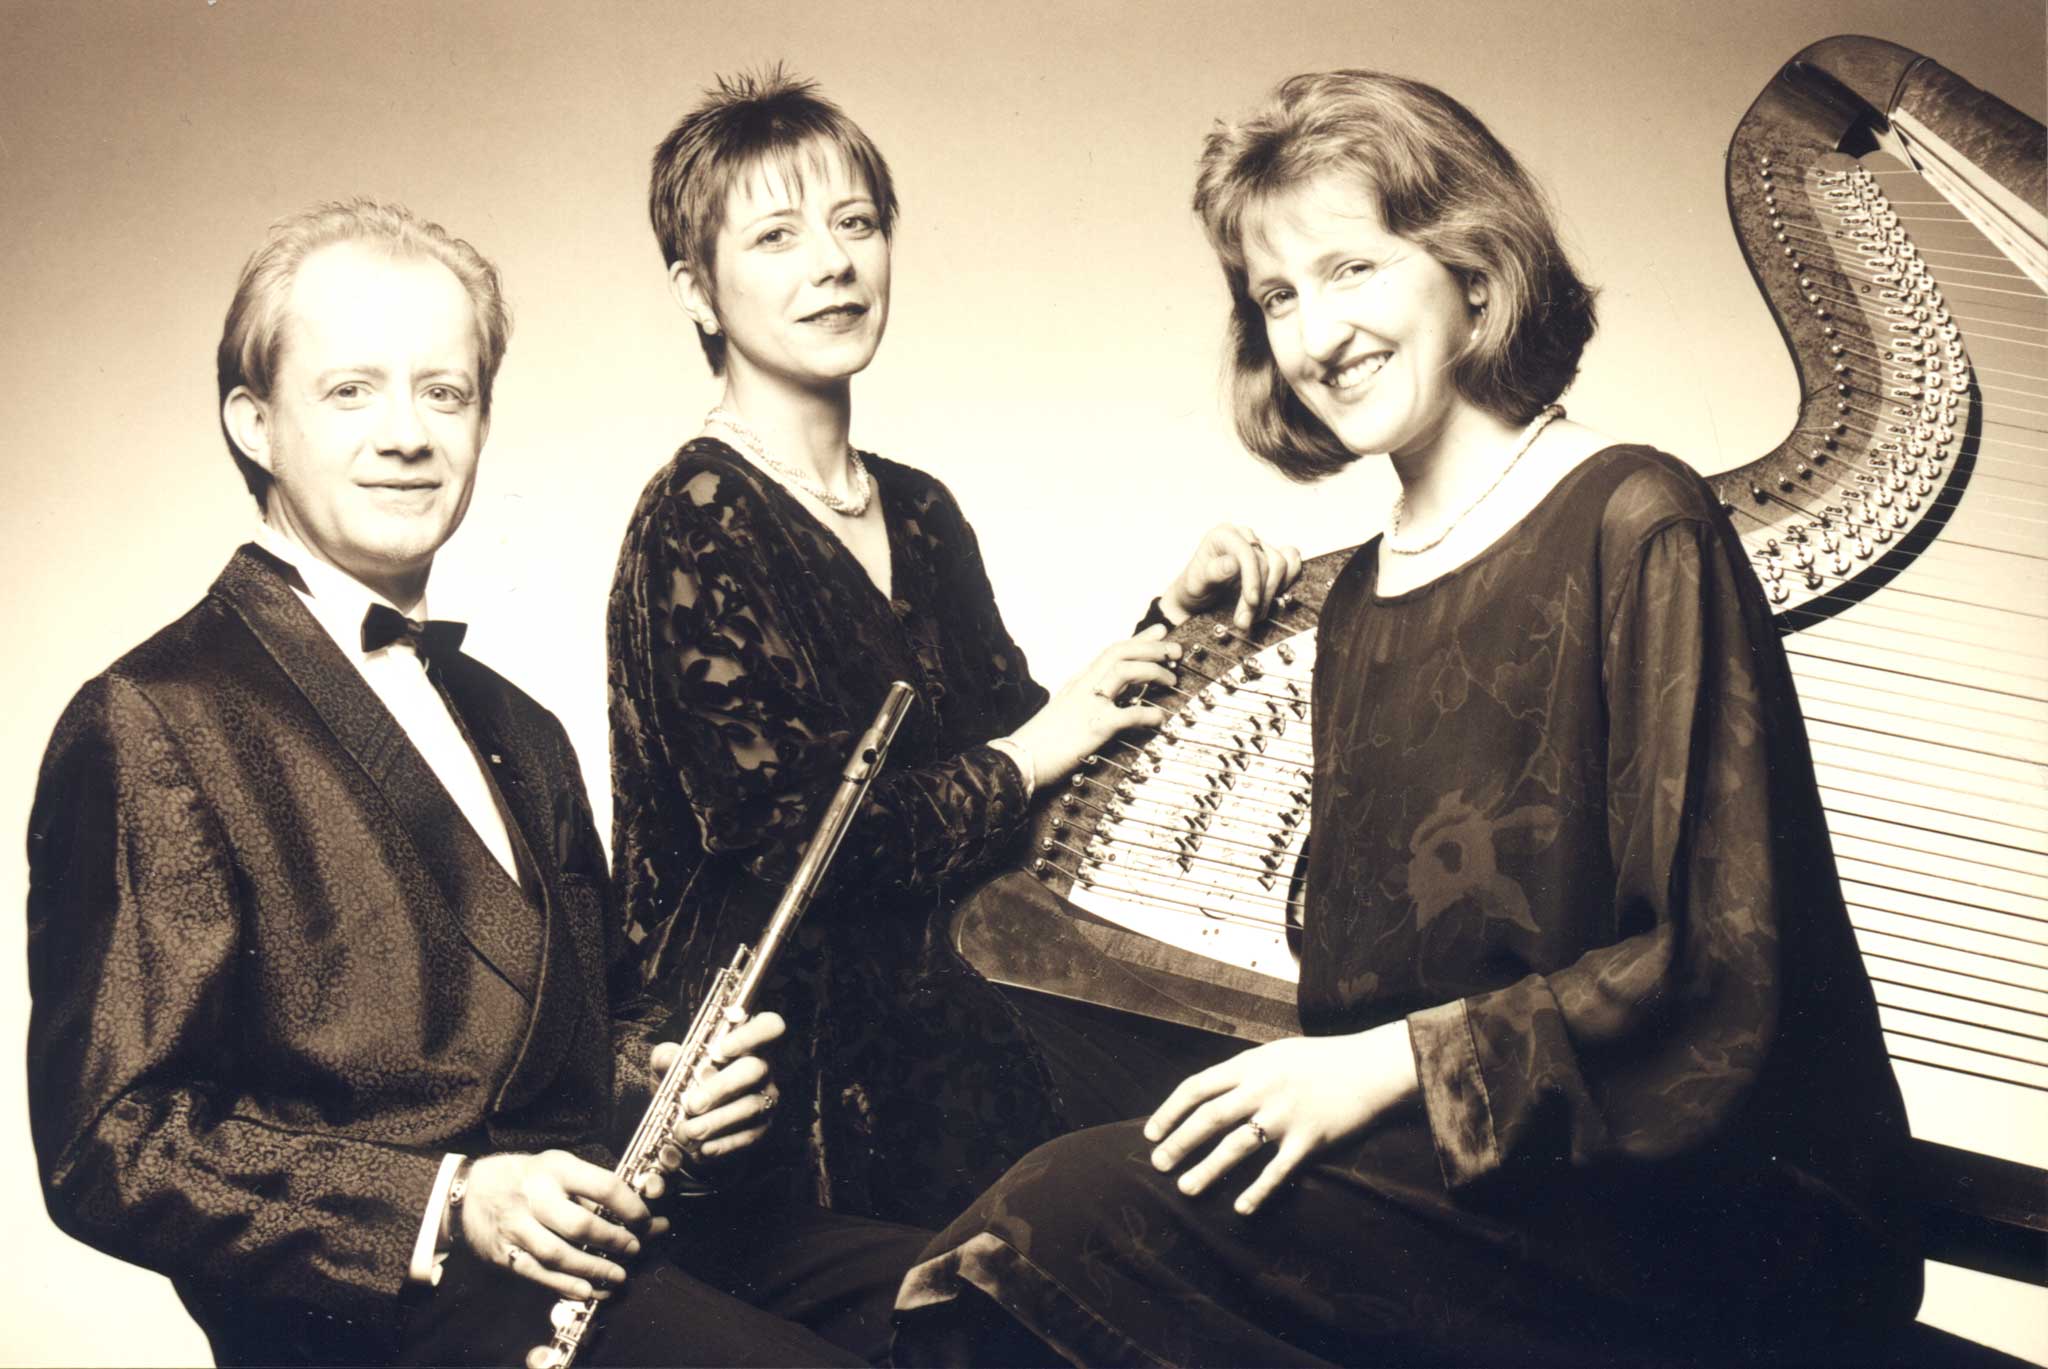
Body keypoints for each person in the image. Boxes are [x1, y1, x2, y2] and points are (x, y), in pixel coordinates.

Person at [893, 71, 1922, 1366]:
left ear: (1472, 272)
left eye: (1351, 269)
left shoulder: (1635, 517)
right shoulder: (1357, 605)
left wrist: (1391, 1067)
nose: (1315, 335)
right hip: (1446, 1172)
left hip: (1677, 1207)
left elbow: (1710, 963)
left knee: (1054, 1224)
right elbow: (1357, 1002)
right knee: (1019, 1218)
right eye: (1276, 297)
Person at [26, 199, 927, 1367]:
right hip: (388, 1320)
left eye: (443, 393)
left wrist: (671, 1093)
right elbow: (113, 1143)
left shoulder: (518, 727)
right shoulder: (155, 715)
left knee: (991, 1292)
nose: (407, 435)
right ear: (255, 424)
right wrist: (446, 1203)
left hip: (601, 1248)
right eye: (351, 391)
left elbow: (587, 1037)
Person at [608, 69, 1301, 1231]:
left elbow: (1020, 770)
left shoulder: (919, 509)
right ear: (695, 289)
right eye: (776, 236)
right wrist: (1030, 751)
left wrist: (1171, 625)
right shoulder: (696, 519)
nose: (832, 263)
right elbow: (797, 848)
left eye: (855, 223)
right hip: (780, 1115)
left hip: (953, 1068)